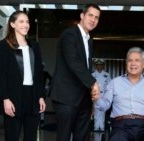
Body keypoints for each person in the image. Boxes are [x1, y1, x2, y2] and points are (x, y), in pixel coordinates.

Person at [49, 4, 101, 141]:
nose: (93, 20)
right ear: (82, 16)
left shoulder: (89, 41)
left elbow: (85, 68)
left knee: (83, 137)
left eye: (97, 17)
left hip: (83, 100)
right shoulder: (69, 34)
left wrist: (90, 99)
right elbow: (73, 62)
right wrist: (93, 83)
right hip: (66, 98)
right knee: (64, 137)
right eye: (90, 15)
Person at [94, 47, 144, 141]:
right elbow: (104, 105)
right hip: (121, 126)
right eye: (130, 60)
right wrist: (97, 98)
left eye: (137, 60)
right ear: (126, 63)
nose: (133, 64)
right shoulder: (115, 82)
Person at [0, 11, 46, 141]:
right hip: (13, 97)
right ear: (12, 24)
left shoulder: (34, 46)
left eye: (27, 21)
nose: (26, 25)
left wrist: (41, 96)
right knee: (12, 136)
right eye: (21, 21)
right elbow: (1, 75)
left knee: (31, 137)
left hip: (33, 96)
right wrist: (5, 99)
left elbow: (39, 74)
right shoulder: (4, 45)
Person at [92, 59, 111, 132]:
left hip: (104, 95)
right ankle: (96, 127)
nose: (99, 66)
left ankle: (102, 128)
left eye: (100, 65)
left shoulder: (107, 75)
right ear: (96, 66)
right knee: (96, 112)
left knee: (103, 112)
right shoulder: (93, 75)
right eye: (97, 65)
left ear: (102, 66)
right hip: (95, 95)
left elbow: (109, 86)